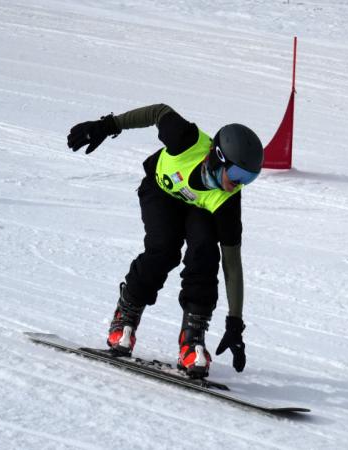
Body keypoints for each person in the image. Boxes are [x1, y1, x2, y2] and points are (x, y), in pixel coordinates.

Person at [66, 104, 263, 378]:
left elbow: (232, 263)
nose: (239, 184)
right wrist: (107, 125)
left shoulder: (228, 201)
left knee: (205, 253)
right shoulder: (186, 140)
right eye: (239, 175)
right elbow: (158, 112)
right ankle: (126, 316)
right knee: (164, 249)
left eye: (249, 179)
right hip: (159, 193)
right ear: (218, 157)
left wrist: (235, 322)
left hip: (198, 208)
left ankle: (192, 339)